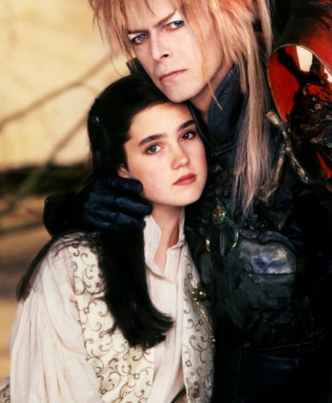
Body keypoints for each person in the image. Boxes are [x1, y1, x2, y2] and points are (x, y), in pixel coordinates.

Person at [43, 0, 332, 402]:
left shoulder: (307, 135)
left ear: (226, 9)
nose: (157, 52)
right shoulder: (172, 134)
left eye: (174, 24)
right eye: (139, 36)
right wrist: (77, 209)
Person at [0, 68, 213, 403]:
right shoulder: (74, 265)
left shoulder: (210, 252)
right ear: (122, 168)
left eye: (187, 135)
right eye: (153, 147)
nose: (181, 159)